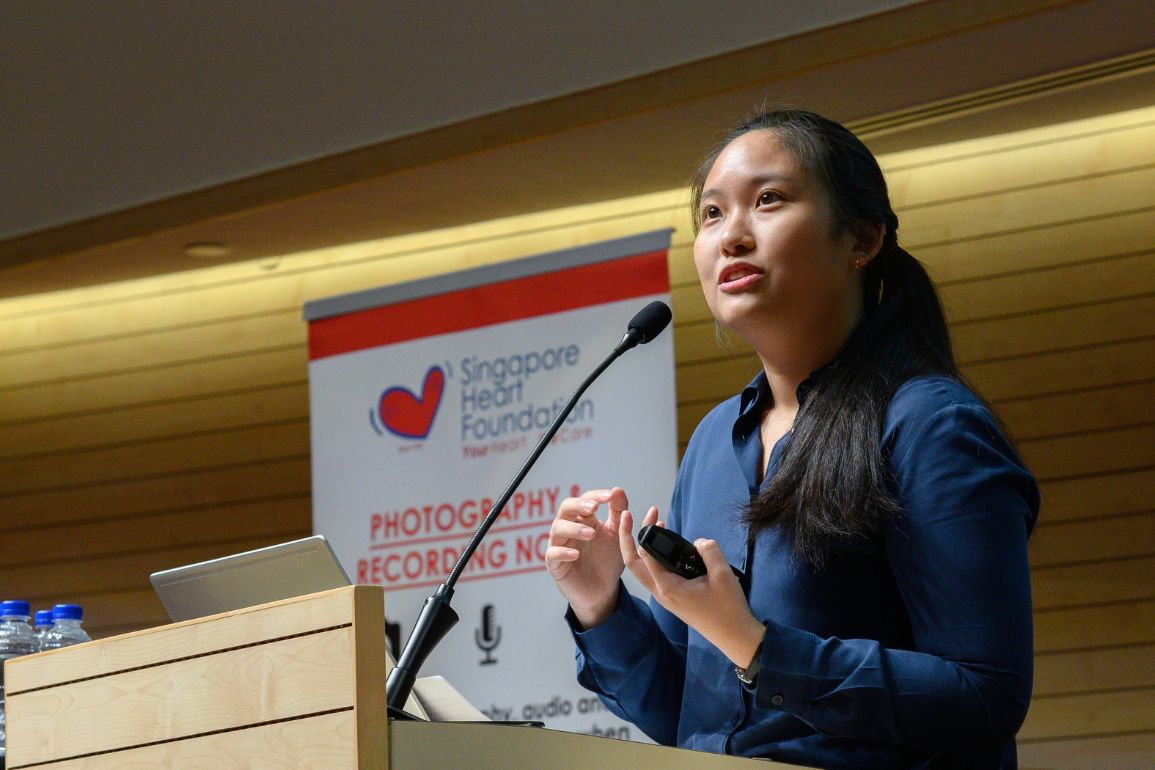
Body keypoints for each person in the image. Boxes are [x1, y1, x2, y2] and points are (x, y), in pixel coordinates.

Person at [545, 109, 1039, 769]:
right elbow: (685, 717)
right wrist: (600, 604)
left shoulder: (930, 423)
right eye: (712, 214)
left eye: (768, 200)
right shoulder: (715, 441)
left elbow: (985, 698)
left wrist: (756, 645)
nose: (731, 236)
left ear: (862, 237)